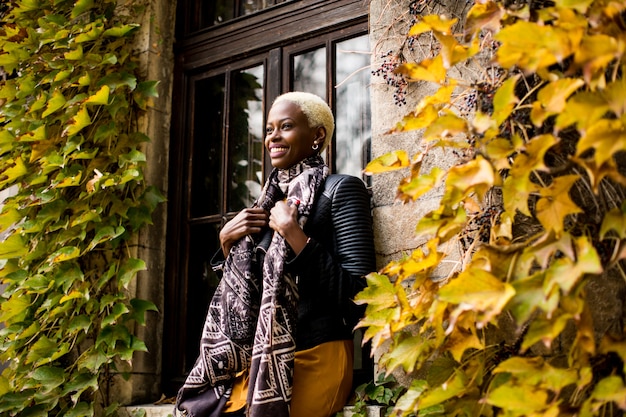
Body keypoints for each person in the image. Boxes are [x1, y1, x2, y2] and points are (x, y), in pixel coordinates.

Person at [175, 92, 376, 417]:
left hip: (319, 354)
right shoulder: (266, 203)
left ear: (317, 136)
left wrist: (295, 235)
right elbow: (249, 298)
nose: (273, 137)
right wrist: (226, 243)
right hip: (260, 359)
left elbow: (361, 295)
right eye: (269, 129)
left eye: (285, 126)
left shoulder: (341, 190)